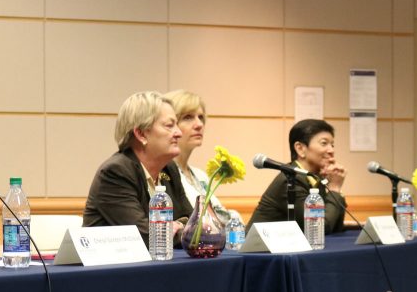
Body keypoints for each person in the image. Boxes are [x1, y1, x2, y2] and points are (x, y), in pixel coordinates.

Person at [83, 91, 193, 245]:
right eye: (169, 125)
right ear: (141, 134)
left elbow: (195, 223)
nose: (179, 133)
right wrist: (179, 228)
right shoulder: (115, 172)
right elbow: (146, 236)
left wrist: (179, 226)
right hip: (114, 267)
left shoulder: (169, 169)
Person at [247, 118, 348, 233]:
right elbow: (319, 228)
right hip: (259, 249)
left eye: (332, 145)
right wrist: (335, 188)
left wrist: (332, 187)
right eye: (324, 143)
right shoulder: (290, 180)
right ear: (300, 148)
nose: (331, 150)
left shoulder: (314, 179)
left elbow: (335, 227)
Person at [164, 89, 241, 226]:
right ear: (170, 125)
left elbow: (223, 217)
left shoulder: (200, 175)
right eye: (188, 117)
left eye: (201, 117)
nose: (199, 124)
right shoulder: (164, 175)